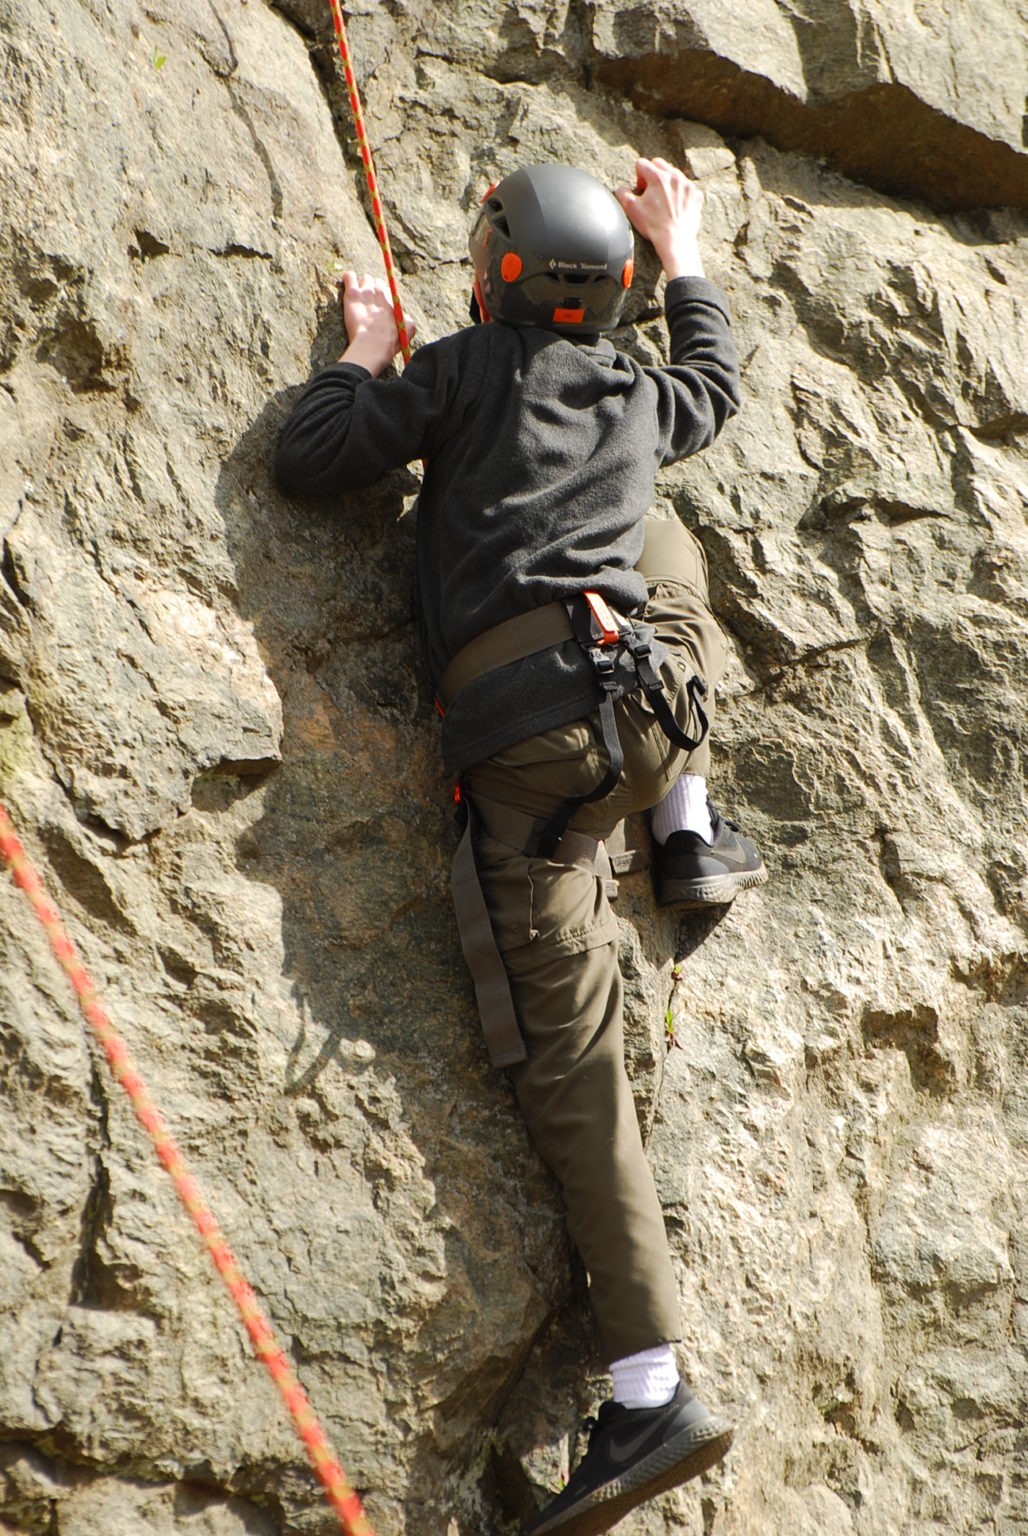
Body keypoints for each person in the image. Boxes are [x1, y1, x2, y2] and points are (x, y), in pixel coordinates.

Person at [275, 156, 766, 1536]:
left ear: (492, 272)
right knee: (660, 535)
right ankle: (692, 831)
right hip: (649, 719)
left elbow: (312, 461)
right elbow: (713, 386)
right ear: (614, 294)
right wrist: (692, 255)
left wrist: (365, 361)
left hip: (534, 758)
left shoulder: (468, 371)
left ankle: (653, 1388)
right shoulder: (639, 389)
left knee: (573, 1073)